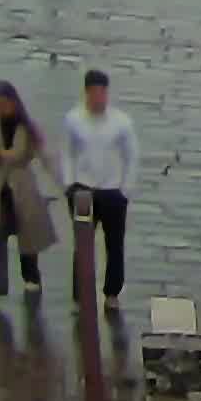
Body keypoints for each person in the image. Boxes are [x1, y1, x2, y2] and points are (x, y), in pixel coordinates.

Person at [59, 68, 139, 306]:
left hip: (112, 191)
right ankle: (80, 293)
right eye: (94, 93)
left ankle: (112, 292)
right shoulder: (74, 120)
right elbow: (67, 153)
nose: (99, 98)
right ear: (86, 93)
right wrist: (69, 184)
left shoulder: (121, 123)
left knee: (114, 245)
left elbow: (131, 156)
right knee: (82, 245)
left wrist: (126, 190)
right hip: (83, 190)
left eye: (102, 93)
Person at [0, 81, 59, 298]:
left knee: (27, 235)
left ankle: (31, 277)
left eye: (4, 104)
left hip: (22, 186)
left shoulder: (26, 126)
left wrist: (61, 181)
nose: (1, 108)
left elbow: (44, 155)